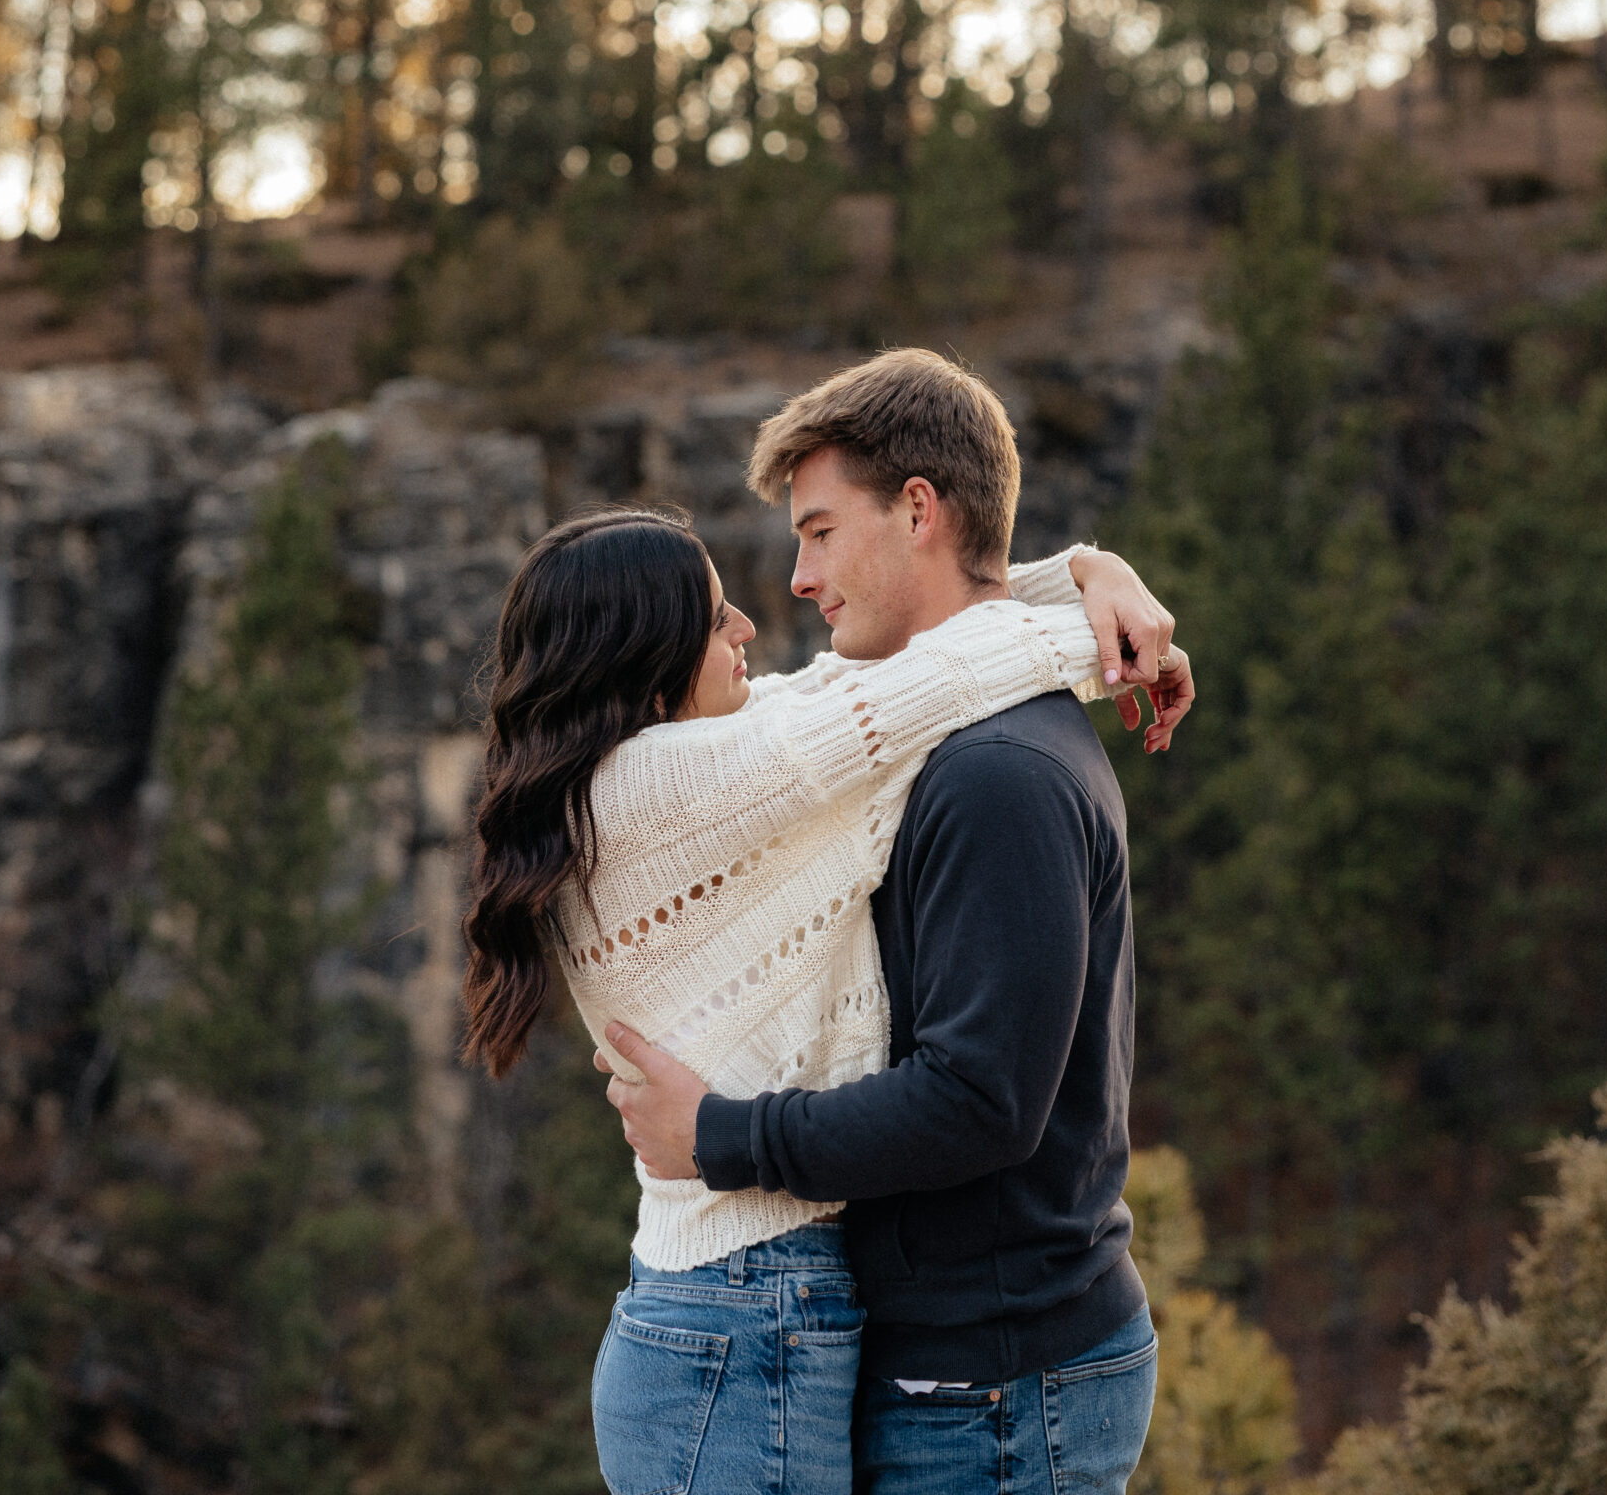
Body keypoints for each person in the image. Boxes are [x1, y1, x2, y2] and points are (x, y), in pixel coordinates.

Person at [462, 358, 1188, 1495]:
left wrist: (1085, 582)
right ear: (643, 668)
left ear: (915, 510)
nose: (781, 593)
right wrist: (1096, 596)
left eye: (816, 532)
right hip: (777, 1329)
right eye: (719, 615)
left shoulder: (987, 772)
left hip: (965, 1365)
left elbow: (979, 1097)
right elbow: (879, 695)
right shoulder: (699, 783)